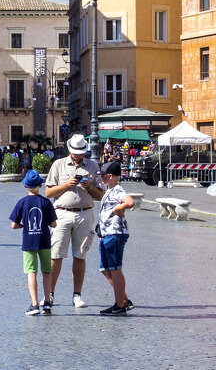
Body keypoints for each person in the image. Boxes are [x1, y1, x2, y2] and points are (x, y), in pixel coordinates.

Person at [44, 133, 104, 309]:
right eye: (75, 152)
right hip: (61, 214)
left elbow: (100, 195)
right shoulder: (58, 165)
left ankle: (77, 295)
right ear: (70, 150)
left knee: (80, 255)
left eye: (81, 153)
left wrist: (89, 186)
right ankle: (50, 295)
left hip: (85, 213)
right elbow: (48, 193)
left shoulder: (93, 166)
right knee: (56, 255)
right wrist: (66, 185)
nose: (78, 156)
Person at [10, 170, 57, 316]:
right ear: (40, 186)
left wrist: (25, 226)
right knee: (46, 272)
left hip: (29, 241)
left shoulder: (22, 202)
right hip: (44, 240)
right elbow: (54, 224)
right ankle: (47, 304)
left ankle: (35, 304)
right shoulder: (45, 202)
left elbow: (13, 225)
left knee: (31, 272)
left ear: (25, 186)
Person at [96, 160, 136, 315]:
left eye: (103, 176)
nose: (101, 178)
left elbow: (130, 202)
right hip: (107, 234)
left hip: (115, 233)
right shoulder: (110, 190)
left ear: (110, 176)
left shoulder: (118, 189)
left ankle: (119, 305)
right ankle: (124, 300)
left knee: (115, 268)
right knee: (105, 269)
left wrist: (119, 208)